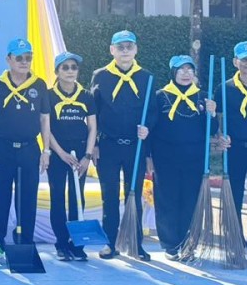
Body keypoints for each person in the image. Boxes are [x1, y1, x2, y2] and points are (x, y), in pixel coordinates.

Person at [89, 30, 155, 261]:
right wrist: (94, 144)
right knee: (109, 196)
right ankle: (110, 243)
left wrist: (147, 129)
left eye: (129, 46)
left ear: (136, 49)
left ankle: (135, 244)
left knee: (133, 195)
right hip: (108, 146)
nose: (125, 51)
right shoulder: (100, 76)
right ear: (112, 50)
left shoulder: (146, 77)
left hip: (135, 147)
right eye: (120, 47)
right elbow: (93, 112)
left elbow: (153, 112)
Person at [0, 39, 51, 258]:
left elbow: (44, 119)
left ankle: (24, 245)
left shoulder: (39, 85)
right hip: (1, 149)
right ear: (9, 59)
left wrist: (46, 150)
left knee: (27, 199)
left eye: (28, 57)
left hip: (29, 149)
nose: (24, 62)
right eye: (19, 57)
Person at [150, 55, 217, 261]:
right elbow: (151, 128)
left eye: (190, 69)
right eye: (181, 69)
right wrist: (148, 156)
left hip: (194, 159)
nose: (186, 73)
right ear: (173, 73)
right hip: (165, 159)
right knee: (167, 200)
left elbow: (211, 130)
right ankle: (170, 245)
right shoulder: (160, 96)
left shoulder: (203, 98)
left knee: (190, 201)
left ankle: (188, 244)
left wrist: (212, 114)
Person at [46, 52, 96, 261]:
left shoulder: (87, 96)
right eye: (65, 67)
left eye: (73, 67)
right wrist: (60, 153)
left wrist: (87, 156)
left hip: (80, 156)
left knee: (77, 197)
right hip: (58, 154)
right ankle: (61, 244)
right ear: (57, 71)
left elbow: (92, 127)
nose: (70, 71)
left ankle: (77, 244)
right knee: (57, 197)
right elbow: (45, 129)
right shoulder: (49, 96)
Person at [218, 41, 247, 263]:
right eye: (245, 59)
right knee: (234, 198)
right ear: (235, 61)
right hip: (235, 151)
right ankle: (235, 243)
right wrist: (220, 136)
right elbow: (218, 121)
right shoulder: (225, 88)